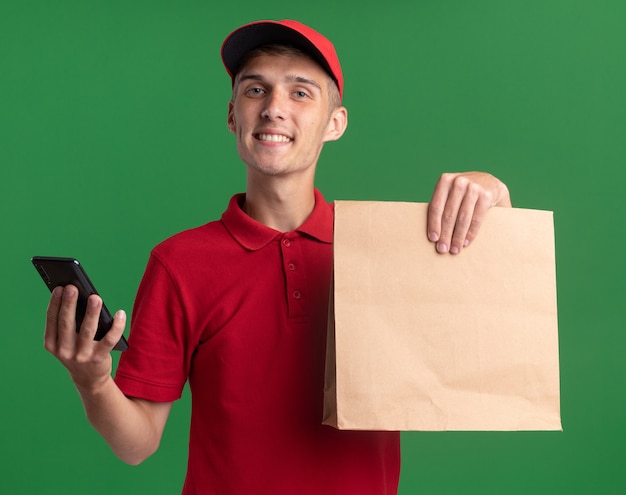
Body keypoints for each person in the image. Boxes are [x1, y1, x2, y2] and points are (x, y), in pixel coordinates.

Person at [44, 19, 512, 494]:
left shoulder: (381, 247)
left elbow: (491, 314)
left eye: (301, 93)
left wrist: (495, 197)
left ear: (336, 123)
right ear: (232, 116)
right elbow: (137, 443)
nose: (273, 109)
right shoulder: (179, 263)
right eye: (255, 90)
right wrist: (94, 382)